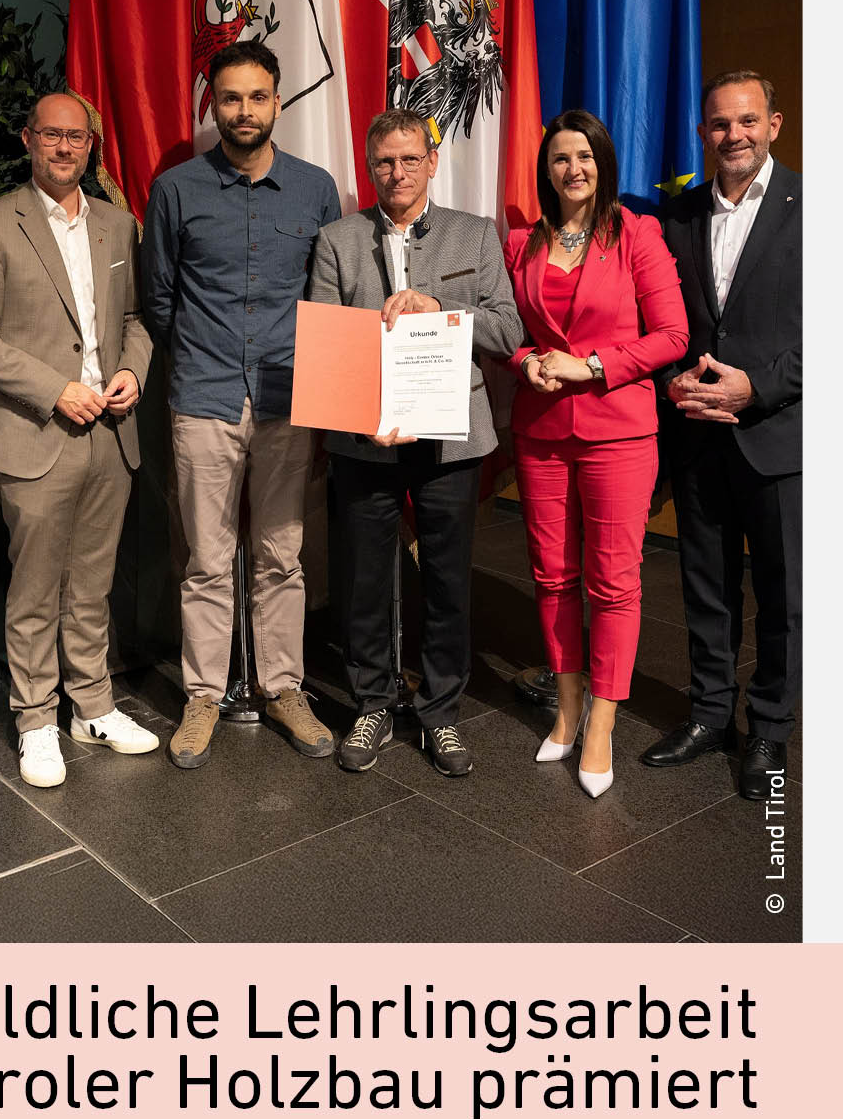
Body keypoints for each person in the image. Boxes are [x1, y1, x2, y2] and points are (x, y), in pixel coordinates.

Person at [0, 93, 157, 788]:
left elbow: (137, 318)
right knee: (35, 588)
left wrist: (132, 369)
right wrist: (53, 388)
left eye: (77, 137)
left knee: (93, 583)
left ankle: (91, 705)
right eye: (51, 135)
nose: (64, 147)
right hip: (35, 430)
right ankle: (36, 718)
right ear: (28, 139)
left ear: (90, 145)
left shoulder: (119, 225)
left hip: (110, 430)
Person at [142, 41, 341, 769]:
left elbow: (330, 293)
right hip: (204, 394)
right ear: (212, 104)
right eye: (230, 98)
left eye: (257, 97)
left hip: (292, 397)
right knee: (205, 556)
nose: (244, 110)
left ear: (278, 102)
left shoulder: (316, 189)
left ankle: (283, 686)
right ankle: (203, 695)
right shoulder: (176, 190)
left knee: (282, 554)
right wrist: (201, 354)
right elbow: (158, 299)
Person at [306, 109, 523, 776]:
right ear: (367, 168)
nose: (395, 173)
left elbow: (509, 333)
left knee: (449, 579)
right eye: (382, 163)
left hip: (450, 439)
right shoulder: (337, 240)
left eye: (407, 159)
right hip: (364, 437)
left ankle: (440, 710)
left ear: (432, 161)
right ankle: (373, 701)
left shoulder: (477, 235)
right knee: (364, 579)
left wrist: (441, 311)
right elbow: (324, 344)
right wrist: (350, 407)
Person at [504, 109, 689, 798]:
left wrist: (595, 366)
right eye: (559, 159)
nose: (572, 169)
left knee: (613, 581)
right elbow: (508, 330)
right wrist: (525, 361)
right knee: (552, 574)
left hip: (619, 432)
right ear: (546, 170)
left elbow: (672, 334)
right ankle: (568, 706)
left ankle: (604, 723)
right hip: (541, 430)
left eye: (583, 157)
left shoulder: (637, 234)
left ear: (601, 163)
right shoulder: (521, 243)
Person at [643, 72, 801, 801]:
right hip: (699, 437)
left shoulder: (815, 208)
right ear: (702, 133)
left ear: (774, 123)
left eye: (746, 121)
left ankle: (769, 726)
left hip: (780, 436)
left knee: (784, 594)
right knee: (705, 588)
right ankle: (710, 713)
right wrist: (675, 376)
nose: (732, 135)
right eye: (717, 124)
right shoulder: (673, 219)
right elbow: (661, 324)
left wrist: (756, 386)